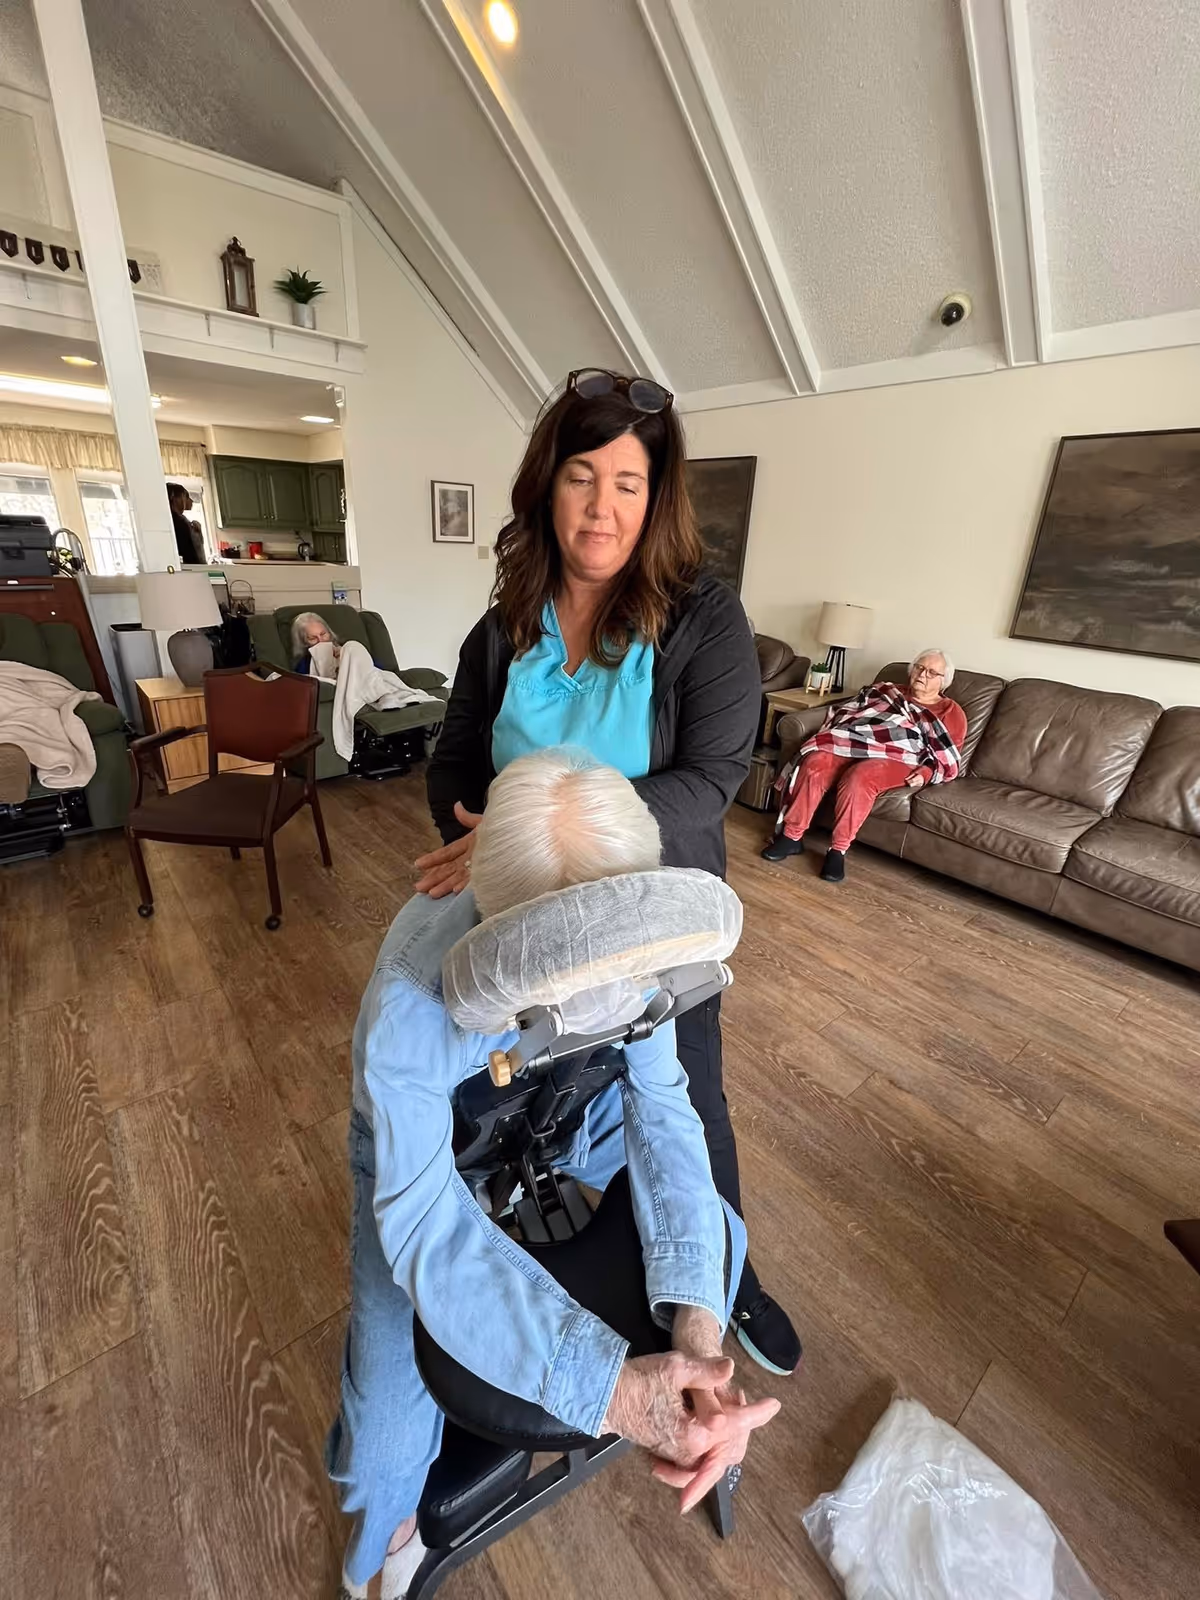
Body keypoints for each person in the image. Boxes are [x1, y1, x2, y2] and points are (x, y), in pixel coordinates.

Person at [414, 367, 801, 1377]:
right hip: (521, 902)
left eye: (628, 483)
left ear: (656, 497)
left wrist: (548, 817)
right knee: (509, 1083)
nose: (602, 506)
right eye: (582, 477)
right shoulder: (506, 623)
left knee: (686, 1099)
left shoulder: (705, 620)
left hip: (650, 911)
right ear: (548, 486)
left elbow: (710, 781)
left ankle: (729, 1277)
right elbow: (453, 760)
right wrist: (484, 829)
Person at [328, 749, 781, 1600]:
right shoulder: (409, 1004)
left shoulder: (636, 932)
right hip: (431, 1139)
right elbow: (424, 1222)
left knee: (716, 1240)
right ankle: (385, 1545)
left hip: (568, 1100)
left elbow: (663, 1106)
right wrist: (612, 1392)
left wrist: (697, 1336)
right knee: (384, 1437)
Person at [763, 649, 967, 882]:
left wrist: (926, 772)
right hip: (855, 741)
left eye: (932, 672)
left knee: (861, 776)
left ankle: (837, 850)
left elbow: (948, 758)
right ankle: (791, 836)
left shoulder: (951, 712)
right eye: (919, 668)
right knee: (815, 762)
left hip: (899, 757)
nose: (923, 674)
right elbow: (852, 714)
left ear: (944, 681)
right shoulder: (887, 691)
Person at [167, 482, 203, 565]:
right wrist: (198, 534)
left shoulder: (169, 519)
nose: (191, 501)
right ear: (175, 498)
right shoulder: (180, 521)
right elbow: (195, 555)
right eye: (185, 496)